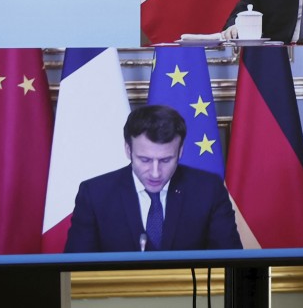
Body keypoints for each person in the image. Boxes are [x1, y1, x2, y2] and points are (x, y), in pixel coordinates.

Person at [64, 105, 242, 252]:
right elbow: (74, 271)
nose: (156, 173)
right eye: (145, 160)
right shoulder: (95, 195)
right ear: (128, 150)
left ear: (180, 152)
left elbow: (231, 262)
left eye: (165, 160)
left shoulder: (208, 190)